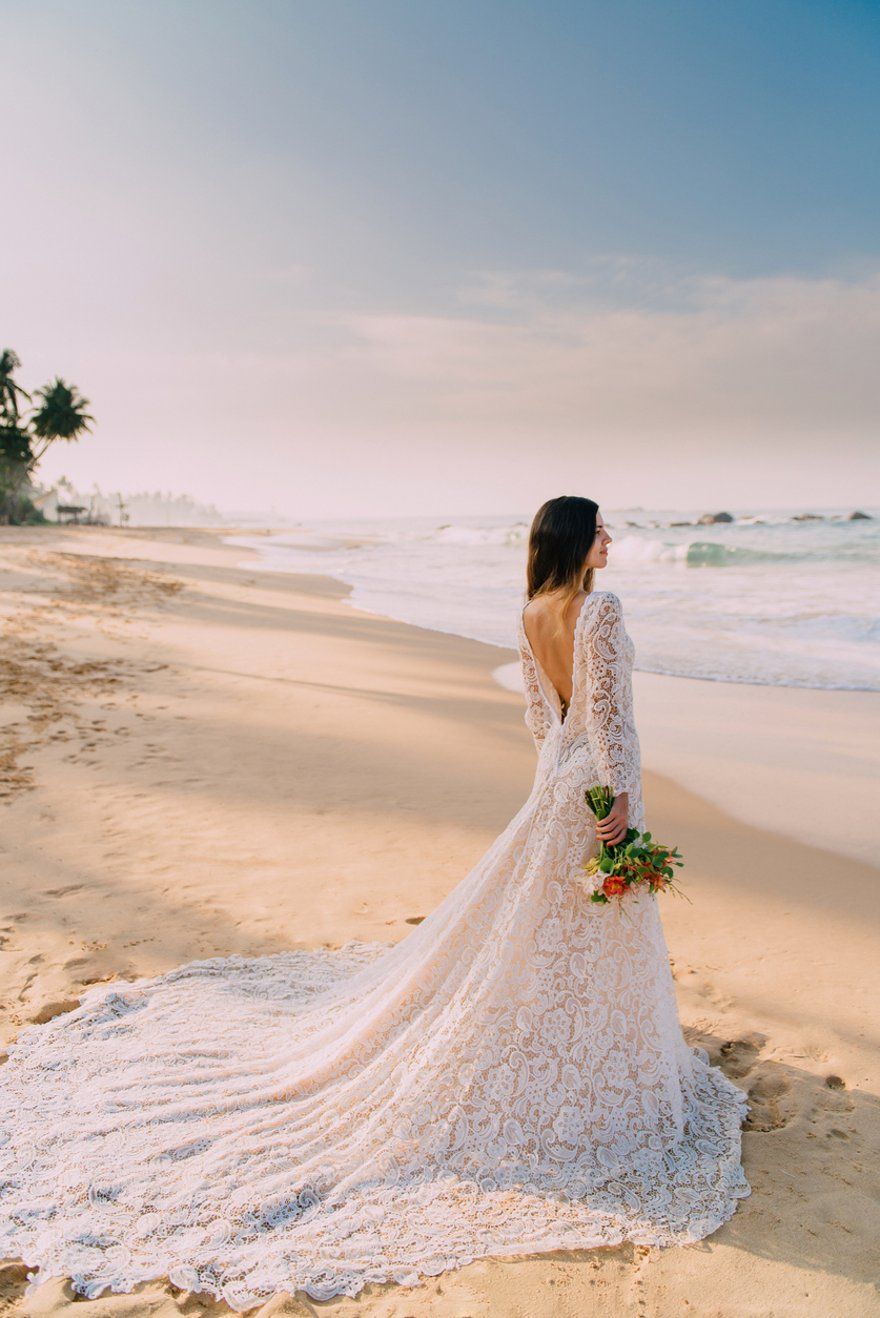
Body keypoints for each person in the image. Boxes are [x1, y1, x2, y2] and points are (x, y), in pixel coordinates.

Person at [0, 494, 750, 1310]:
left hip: (556, 788)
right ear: (575, 539)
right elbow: (608, 720)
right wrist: (619, 812)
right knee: (588, 930)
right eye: (600, 527)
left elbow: (544, 720)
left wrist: (552, 797)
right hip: (597, 792)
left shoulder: (533, 609)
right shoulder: (599, 610)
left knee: (543, 937)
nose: (612, 538)